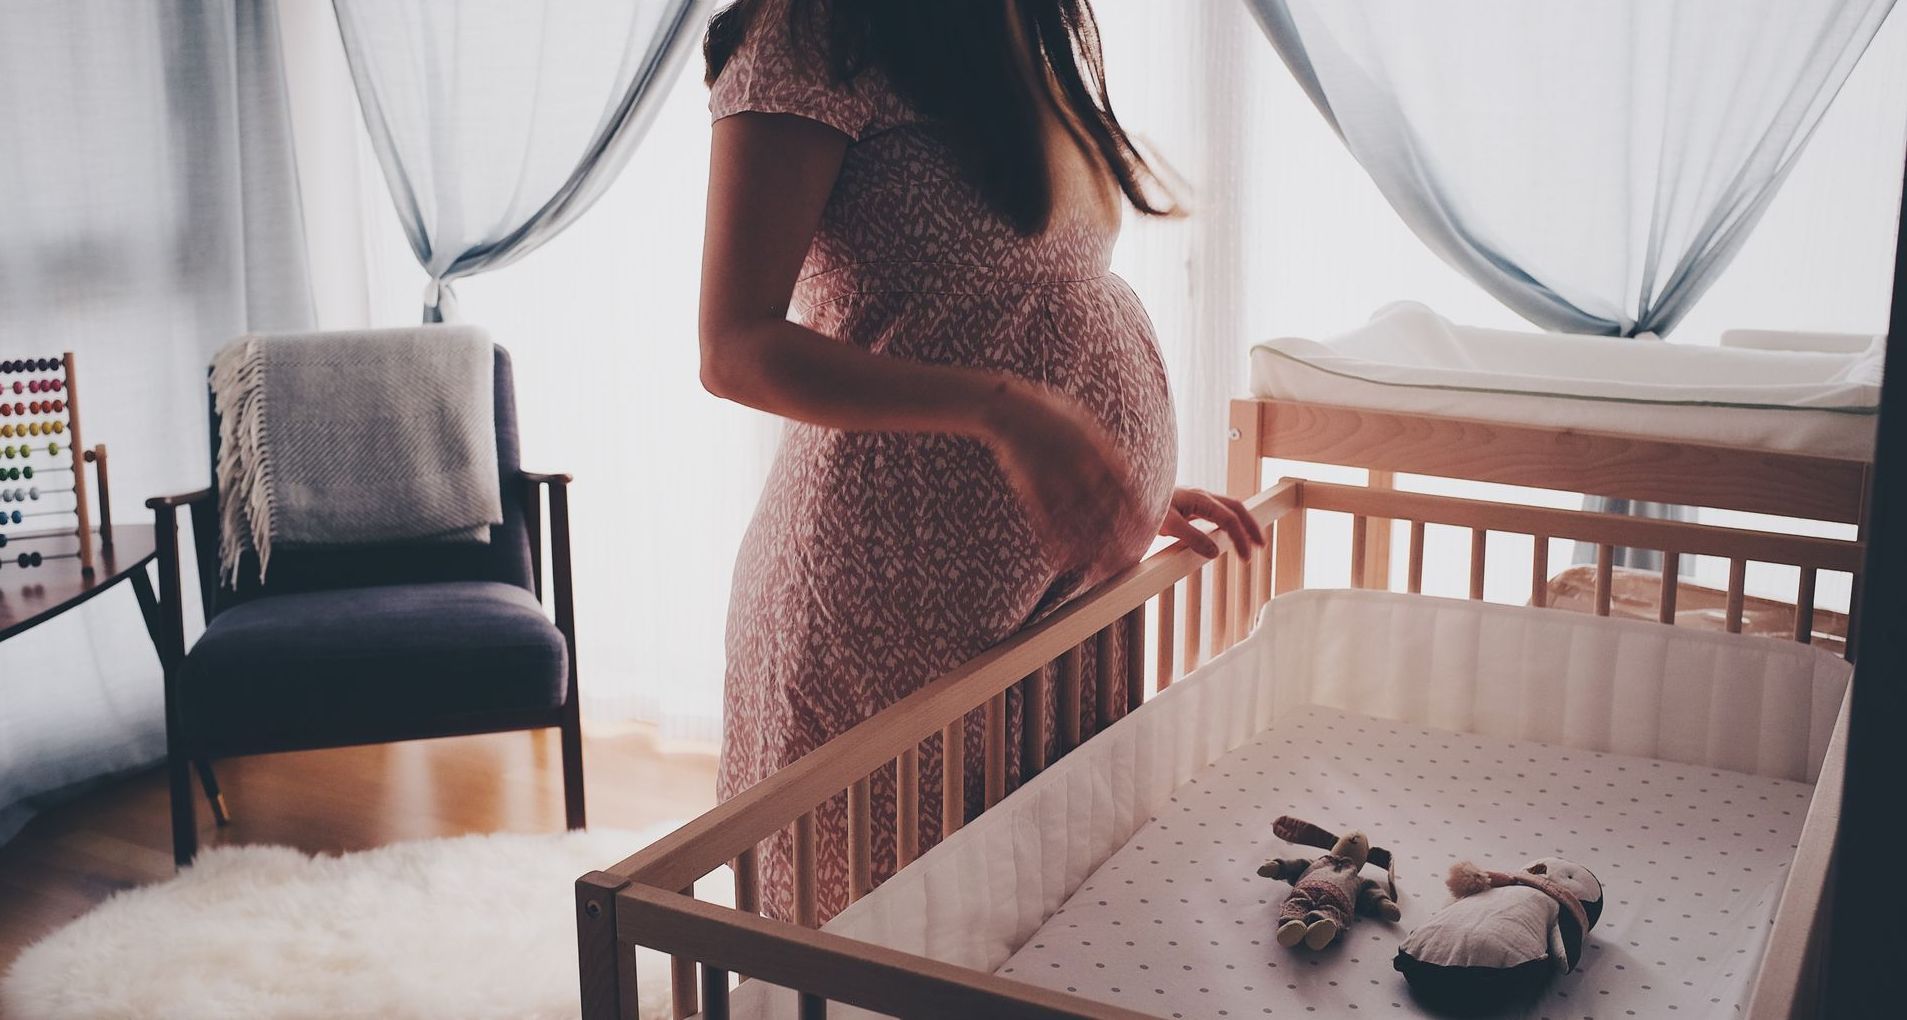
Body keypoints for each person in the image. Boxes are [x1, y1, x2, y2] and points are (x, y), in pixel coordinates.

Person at [699, 0, 1264, 923]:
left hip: (1048, 603)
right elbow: (732, 347)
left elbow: (1010, 301)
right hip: (888, 610)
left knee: (1024, 922)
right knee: (892, 942)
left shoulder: (1025, 27)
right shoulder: (816, 28)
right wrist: (1004, 413)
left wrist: (1106, 483)